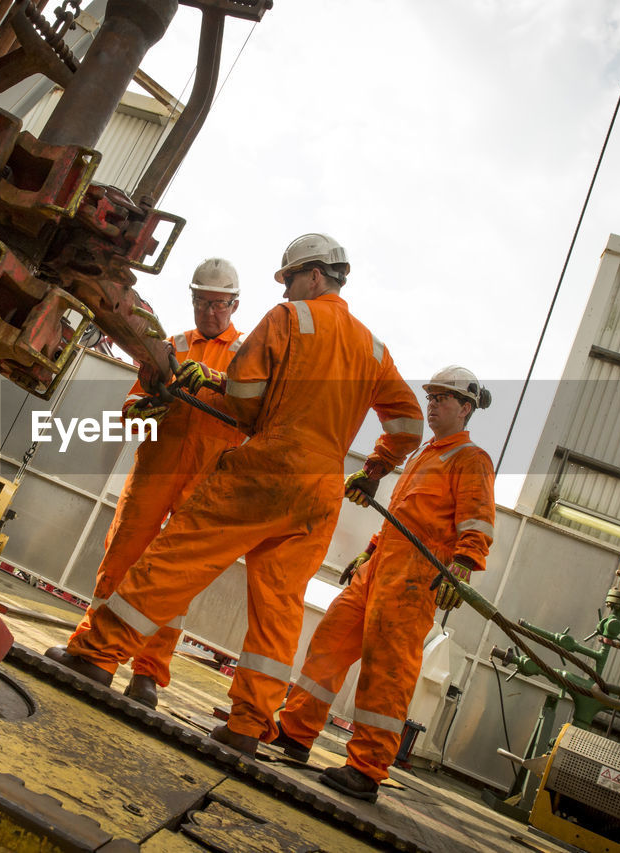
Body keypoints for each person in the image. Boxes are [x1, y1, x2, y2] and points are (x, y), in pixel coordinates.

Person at [49, 233, 424, 756]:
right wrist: (379, 465)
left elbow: (245, 397)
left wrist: (236, 405)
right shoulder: (373, 348)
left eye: (290, 278)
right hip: (320, 492)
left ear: (313, 275)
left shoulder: (287, 319)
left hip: (267, 470)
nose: (288, 289)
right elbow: (409, 425)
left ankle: (97, 654)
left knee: (175, 559)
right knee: (279, 609)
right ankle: (248, 725)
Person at [267, 366, 496, 803]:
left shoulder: (470, 459)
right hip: (381, 567)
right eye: (430, 396)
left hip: (416, 577)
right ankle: (295, 734)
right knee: (329, 643)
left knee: (387, 669)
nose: (433, 404)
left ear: (466, 408)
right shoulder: (426, 454)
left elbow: (477, 521)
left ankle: (366, 769)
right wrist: (368, 554)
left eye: (443, 398)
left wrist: (463, 565)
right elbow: (403, 517)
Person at [54, 258, 248, 709]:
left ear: (235, 304)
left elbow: (254, 414)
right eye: (203, 302)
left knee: (172, 580)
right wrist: (139, 414)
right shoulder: (170, 345)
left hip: (205, 478)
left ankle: (147, 673)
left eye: (219, 305)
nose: (211, 313)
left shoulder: (246, 357)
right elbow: (134, 405)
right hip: (155, 469)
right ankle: (90, 650)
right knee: (120, 555)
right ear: (193, 300)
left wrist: (218, 384)